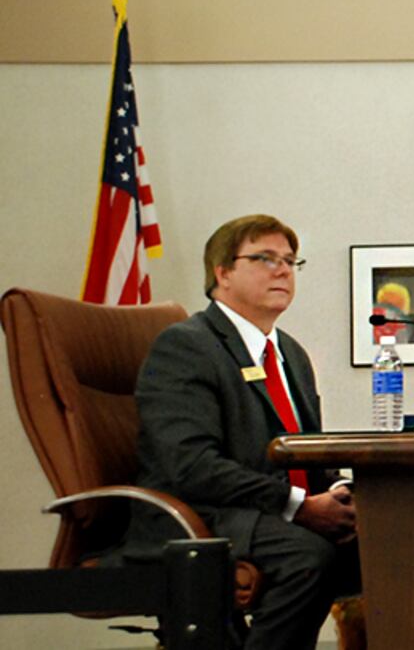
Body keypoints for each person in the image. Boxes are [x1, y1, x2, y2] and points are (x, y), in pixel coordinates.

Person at [128, 215, 359, 650]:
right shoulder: (186, 345)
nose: (283, 270)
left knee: (388, 544)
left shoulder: (290, 351)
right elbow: (192, 466)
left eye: (291, 261)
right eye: (265, 258)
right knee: (309, 557)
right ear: (223, 273)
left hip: (264, 511)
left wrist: (340, 492)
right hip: (200, 514)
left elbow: (306, 452)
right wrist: (301, 507)